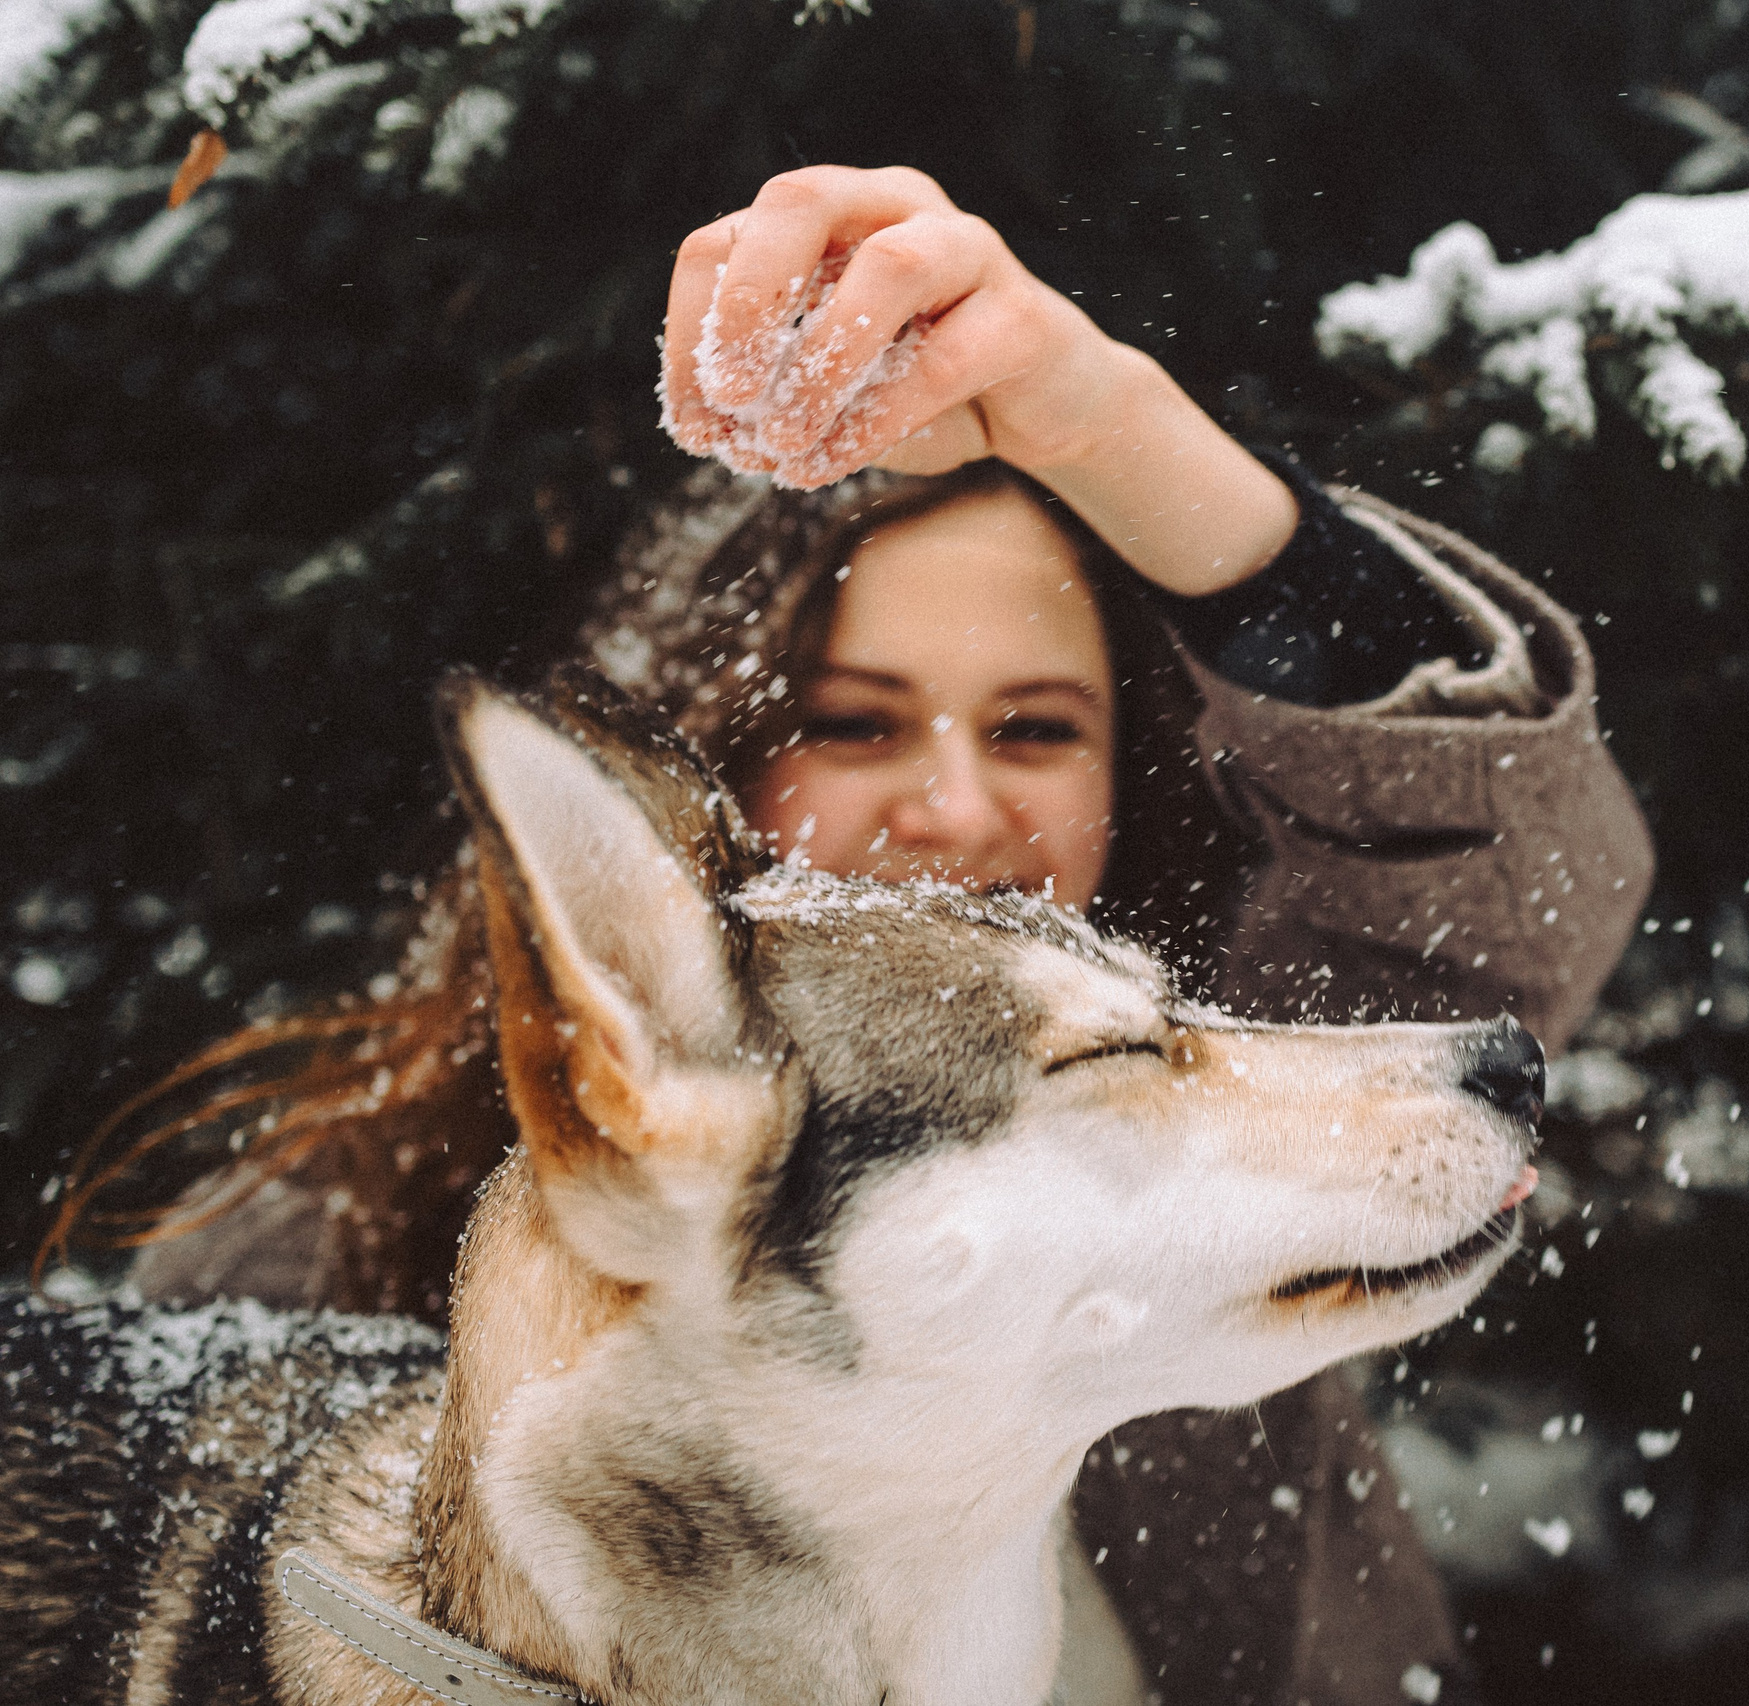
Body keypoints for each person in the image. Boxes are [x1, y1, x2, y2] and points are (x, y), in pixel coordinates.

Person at [57, 166, 1654, 1706]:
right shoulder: (335, 1233)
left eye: (1035, 726)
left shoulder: (1232, 1100)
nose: (954, 806)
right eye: (855, 720)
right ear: (701, 754)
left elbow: (1519, 854)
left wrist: (1102, 418)